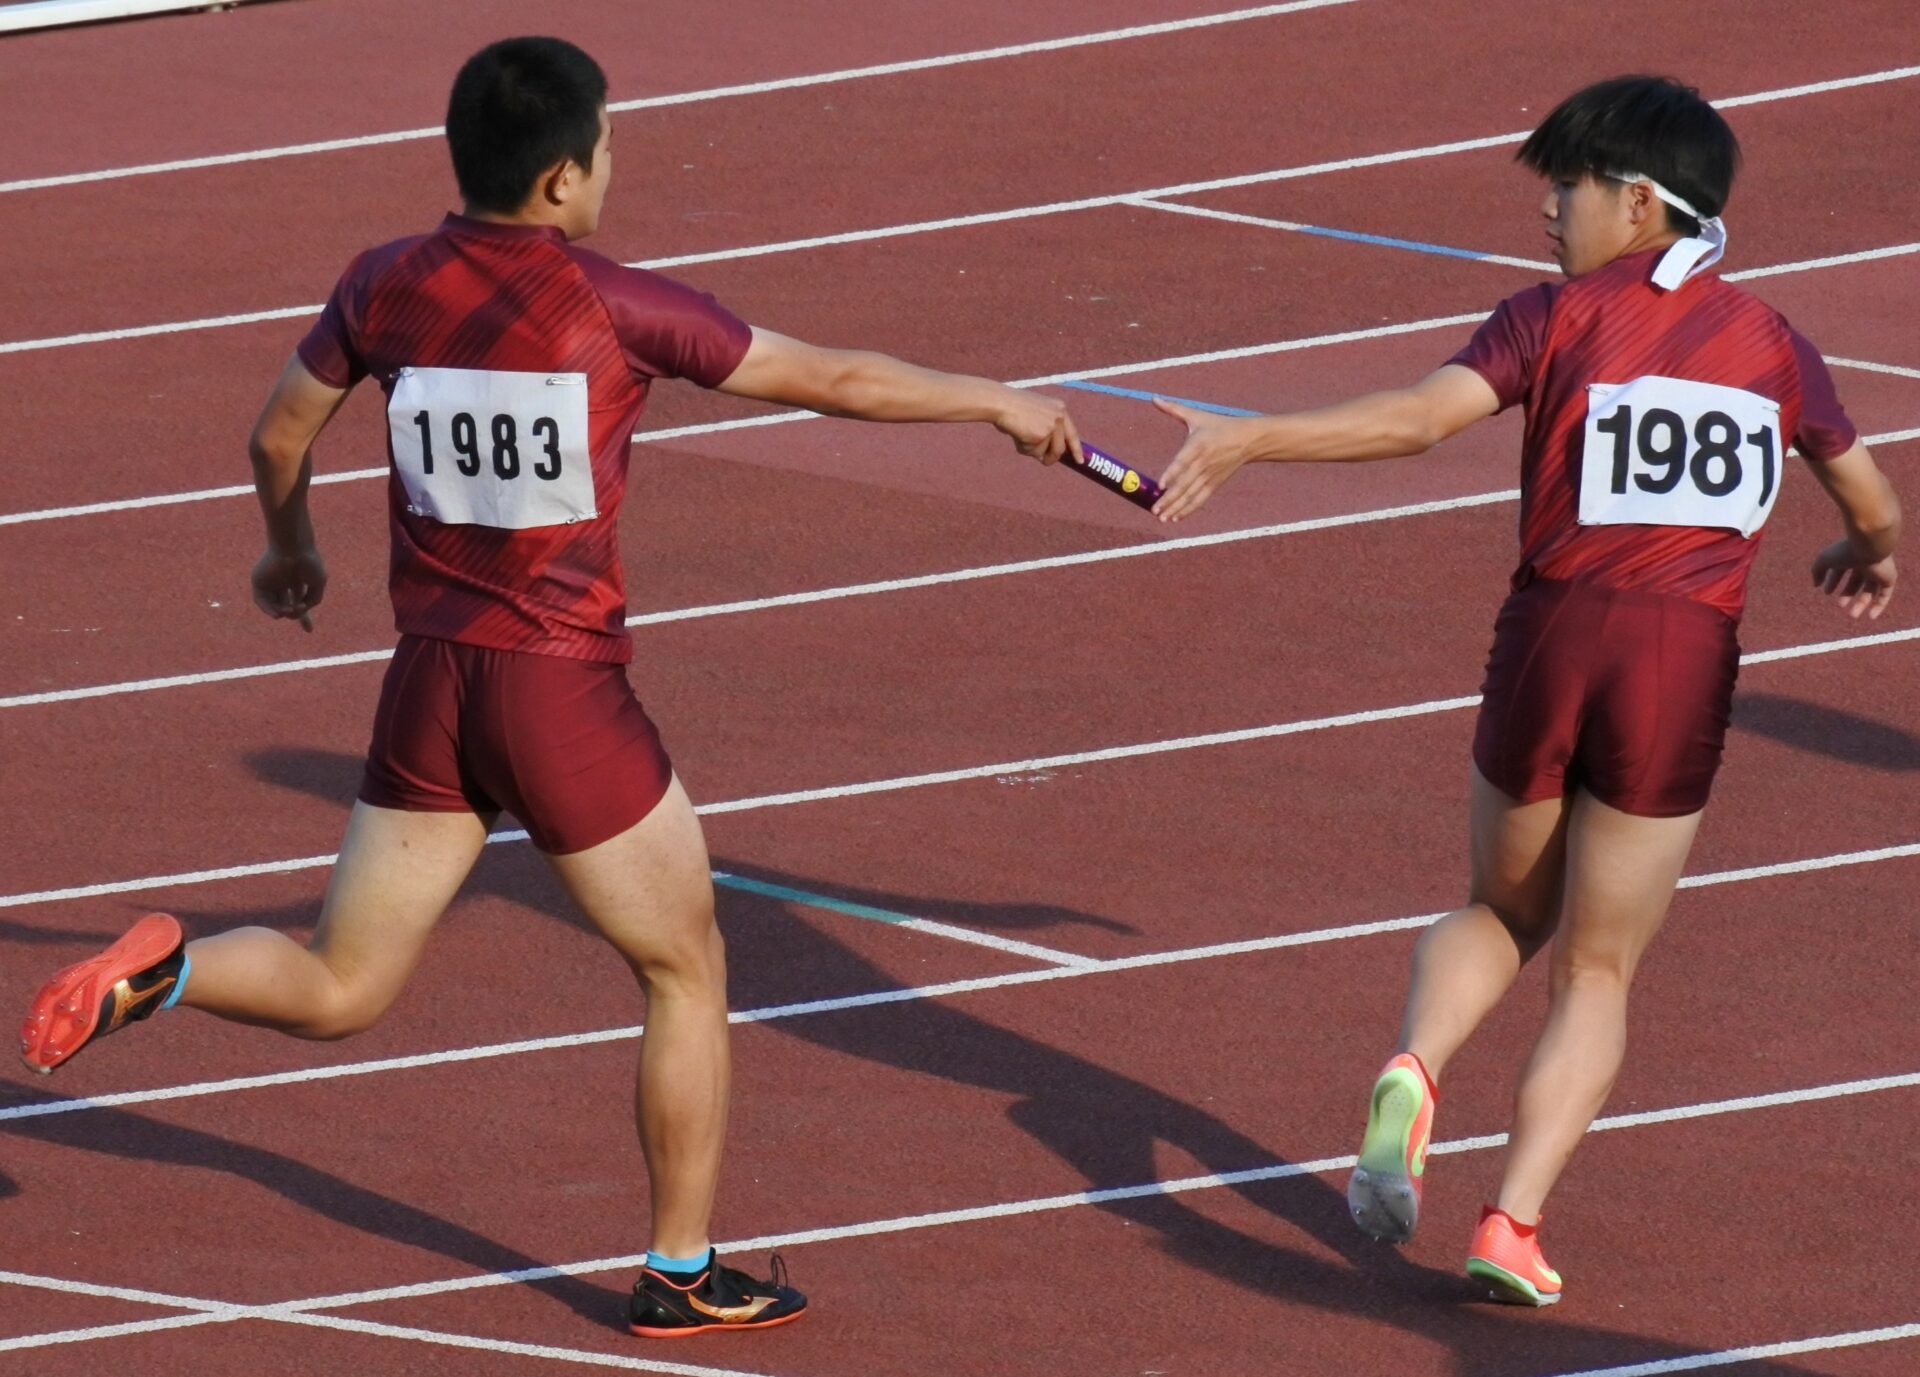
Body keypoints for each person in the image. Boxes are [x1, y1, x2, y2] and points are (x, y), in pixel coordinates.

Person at [18, 36, 1081, 1339]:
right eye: (614, 149)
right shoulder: (614, 303)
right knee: (685, 968)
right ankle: (682, 1270)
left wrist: (289, 553)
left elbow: (278, 430)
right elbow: (836, 380)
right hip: (560, 695)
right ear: (566, 177)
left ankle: (169, 971)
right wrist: (998, 403)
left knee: (343, 984)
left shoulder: (381, 283)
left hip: (429, 688)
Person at [1145, 74, 1900, 1305]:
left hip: (1550, 633)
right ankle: (1513, 1223)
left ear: (1642, 203)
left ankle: (1418, 1065)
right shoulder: (1773, 343)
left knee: (1498, 911)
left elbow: (1411, 423)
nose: (1549, 209)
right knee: (1598, 970)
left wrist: (1249, 435)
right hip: (1681, 658)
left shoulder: (1549, 317)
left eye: (1569, 184)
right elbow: (1872, 501)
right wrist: (1863, 552)